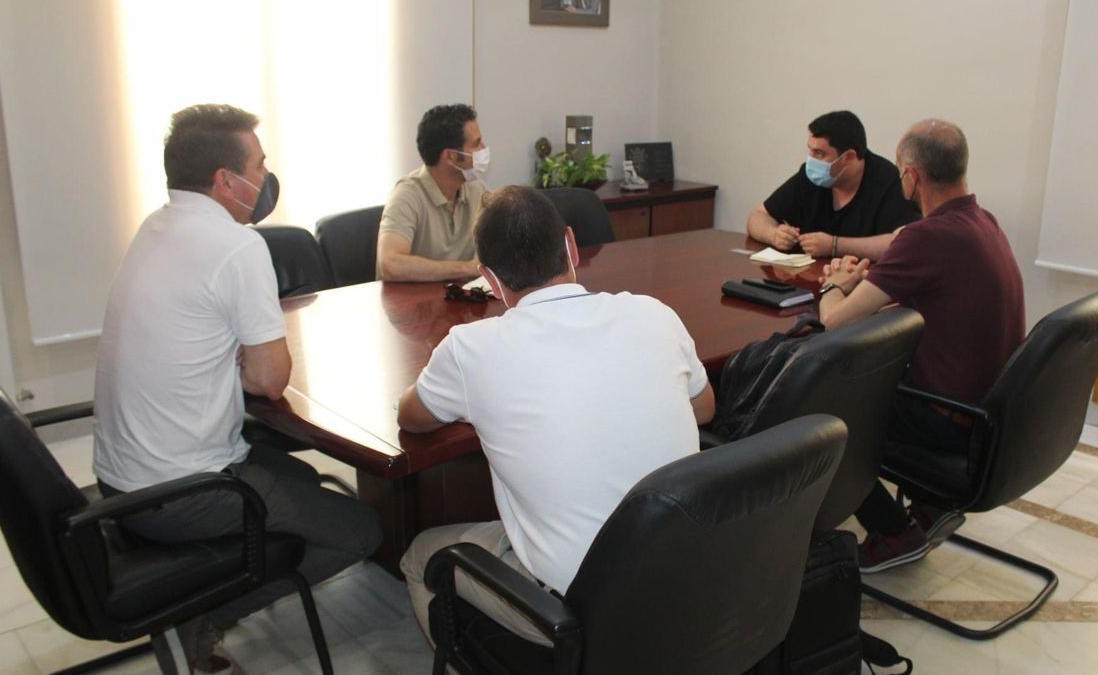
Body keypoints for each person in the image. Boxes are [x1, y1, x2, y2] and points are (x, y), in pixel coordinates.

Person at [92, 104, 381, 672]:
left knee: (298, 476)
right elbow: (271, 380)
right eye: (259, 164)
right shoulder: (237, 246)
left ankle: (202, 604)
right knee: (364, 530)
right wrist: (244, 365)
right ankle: (200, 619)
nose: (266, 177)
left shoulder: (155, 226)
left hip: (121, 479)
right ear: (226, 181)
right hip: (185, 493)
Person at [397, 185, 716, 645]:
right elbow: (704, 409)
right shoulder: (653, 314)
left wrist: (453, 379)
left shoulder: (472, 349)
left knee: (419, 556)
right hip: (688, 573)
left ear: (488, 277)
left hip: (575, 609)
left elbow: (413, 417)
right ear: (570, 244)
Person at [814, 119, 1025, 573]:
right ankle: (929, 506)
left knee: (822, 413)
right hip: (988, 416)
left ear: (911, 176)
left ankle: (892, 532)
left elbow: (833, 322)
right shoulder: (982, 223)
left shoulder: (927, 236)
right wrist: (862, 286)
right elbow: (919, 296)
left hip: (949, 418)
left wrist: (833, 284)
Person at [747, 110, 920, 261]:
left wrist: (835, 246)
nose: (811, 160)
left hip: (862, 285)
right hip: (806, 280)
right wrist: (774, 234)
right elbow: (758, 216)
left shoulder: (887, 178)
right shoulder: (809, 175)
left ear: (849, 157)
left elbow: (902, 243)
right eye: (810, 150)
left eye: (819, 153)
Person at [377, 103, 489, 281]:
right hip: (411, 304)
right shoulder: (407, 195)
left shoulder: (476, 188)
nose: (484, 148)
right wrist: (466, 268)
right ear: (450, 156)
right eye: (476, 144)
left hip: (461, 302)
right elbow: (390, 264)